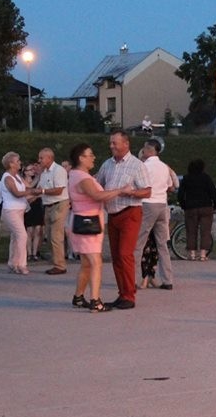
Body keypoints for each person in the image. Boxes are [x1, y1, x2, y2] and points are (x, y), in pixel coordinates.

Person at [67, 143, 131, 312]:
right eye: (90, 155)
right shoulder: (83, 178)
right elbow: (97, 195)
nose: (93, 157)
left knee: (87, 263)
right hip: (88, 223)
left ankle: (79, 297)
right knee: (96, 262)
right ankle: (95, 301)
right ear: (81, 158)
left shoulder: (76, 175)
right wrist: (120, 190)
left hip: (81, 222)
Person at [95, 130, 151, 310]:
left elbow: (147, 191)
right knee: (116, 256)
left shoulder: (137, 165)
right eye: (111, 143)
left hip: (130, 212)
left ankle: (129, 295)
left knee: (125, 254)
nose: (111, 146)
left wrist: (131, 192)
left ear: (126, 144)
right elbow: (98, 183)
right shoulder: (107, 164)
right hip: (113, 214)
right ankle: (122, 293)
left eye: (114, 143)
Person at [134, 140, 176, 290]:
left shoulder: (143, 167)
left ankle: (135, 279)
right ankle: (168, 280)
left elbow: (137, 185)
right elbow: (171, 186)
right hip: (162, 205)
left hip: (148, 204)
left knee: (139, 243)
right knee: (162, 244)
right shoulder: (164, 167)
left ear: (148, 150)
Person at [0, 151, 38, 275]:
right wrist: (32, 191)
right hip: (10, 210)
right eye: (17, 161)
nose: (19, 163)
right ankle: (22, 264)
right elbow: (16, 193)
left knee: (15, 237)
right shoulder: (7, 177)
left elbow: (27, 187)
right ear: (11, 164)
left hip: (20, 209)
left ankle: (12, 263)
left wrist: (38, 185)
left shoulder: (17, 176)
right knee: (22, 235)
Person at [177, 158, 216, 261]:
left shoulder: (186, 178)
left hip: (190, 208)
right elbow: (213, 192)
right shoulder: (206, 178)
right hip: (206, 207)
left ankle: (192, 254)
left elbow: (180, 194)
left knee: (191, 231)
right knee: (205, 231)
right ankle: (203, 254)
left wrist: (183, 205)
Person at [38, 148, 70, 275]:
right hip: (48, 205)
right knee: (50, 235)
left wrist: (42, 192)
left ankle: (60, 265)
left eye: (41, 158)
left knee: (56, 236)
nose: (39, 160)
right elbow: (41, 188)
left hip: (59, 205)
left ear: (50, 158)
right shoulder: (44, 172)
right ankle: (57, 261)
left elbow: (58, 190)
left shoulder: (59, 170)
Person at [23, 162, 45, 261]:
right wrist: (37, 194)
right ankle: (29, 253)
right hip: (29, 207)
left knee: (37, 230)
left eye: (33, 169)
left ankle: (35, 253)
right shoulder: (23, 181)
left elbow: (41, 191)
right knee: (29, 230)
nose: (33, 171)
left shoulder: (37, 180)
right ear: (25, 172)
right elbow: (28, 194)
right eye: (30, 170)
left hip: (37, 206)